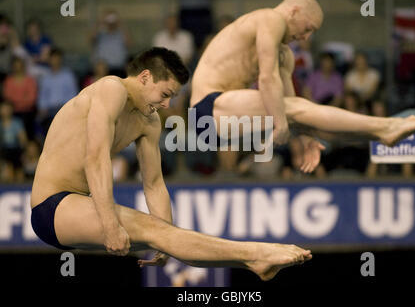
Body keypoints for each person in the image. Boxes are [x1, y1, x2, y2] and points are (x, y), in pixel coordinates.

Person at [30, 47, 312, 281]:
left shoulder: (148, 120)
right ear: (144, 77)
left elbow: (153, 184)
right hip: (51, 206)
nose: (166, 106)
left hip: (78, 204)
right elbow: (95, 159)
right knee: (159, 232)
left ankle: (251, 264)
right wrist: (109, 224)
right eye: (165, 94)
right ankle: (256, 254)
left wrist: (166, 243)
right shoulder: (110, 90)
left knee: (167, 234)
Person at [190, 0, 415, 172]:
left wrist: (307, 138)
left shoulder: (285, 54)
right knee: (285, 109)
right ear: (294, 11)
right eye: (308, 28)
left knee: (312, 122)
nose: (306, 37)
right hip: (205, 109)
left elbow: (295, 104)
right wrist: (280, 123)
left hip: (225, 119)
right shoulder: (269, 19)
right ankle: (384, 128)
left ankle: (378, 135)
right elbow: (267, 79)